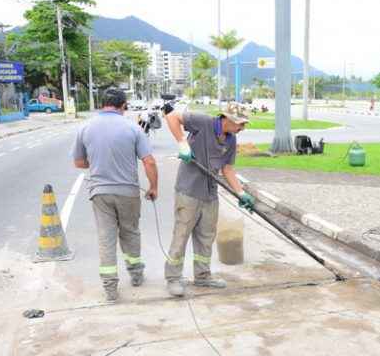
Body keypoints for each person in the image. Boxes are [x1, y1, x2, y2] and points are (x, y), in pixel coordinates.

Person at [72, 88, 158, 301]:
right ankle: (136, 274)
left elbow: (79, 162)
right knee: (130, 233)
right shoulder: (133, 128)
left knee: (105, 237)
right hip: (128, 192)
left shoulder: (85, 127)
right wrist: (153, 187)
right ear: (123, 105)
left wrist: (100, 162)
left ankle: (110, 288)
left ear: (103, 104)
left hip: (100, 192)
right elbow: (149, 161)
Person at [164, 103, 255, 297]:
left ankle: (202, 276)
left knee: (206, 237)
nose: (242, 128)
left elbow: (227, 169)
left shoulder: (230, 141)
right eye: (240, 123)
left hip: (210, 193)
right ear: (227, 118)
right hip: (188, 190)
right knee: (181, 235)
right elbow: (172, 117)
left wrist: (241, 193)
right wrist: (182, 142)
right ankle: (173, 278)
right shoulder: (203, 122)